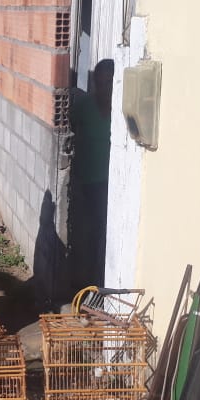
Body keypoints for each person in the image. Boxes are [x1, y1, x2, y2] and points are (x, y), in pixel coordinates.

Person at [68, 59, 114, 289]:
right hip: (87, 183)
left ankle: (102, 279)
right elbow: (72, 125)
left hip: (111, 185)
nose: (104, 87)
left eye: (109, 83)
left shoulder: (120, 109)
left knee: (104, 235)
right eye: (100, 82)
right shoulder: (85, 106)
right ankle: (86, 284)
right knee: (87, 235)